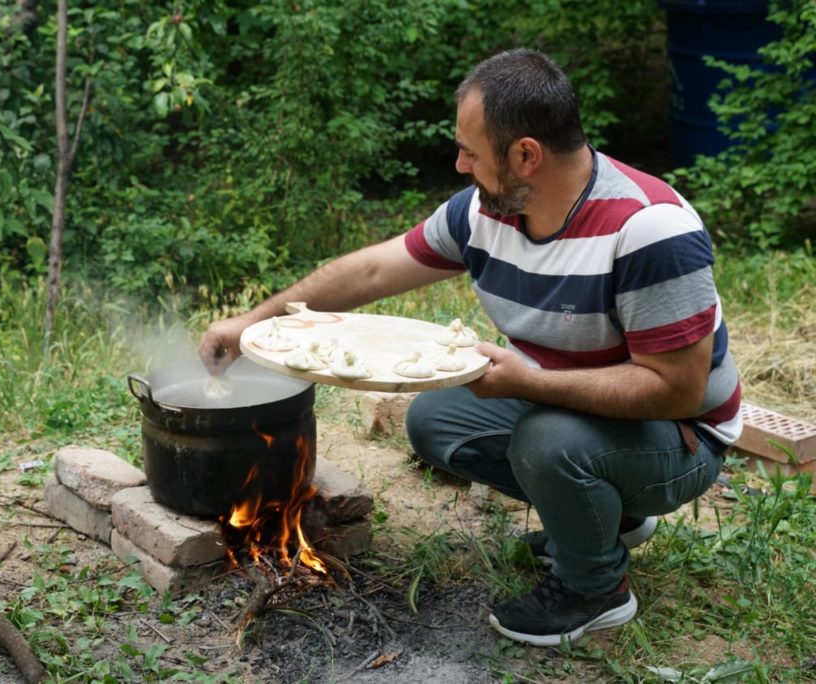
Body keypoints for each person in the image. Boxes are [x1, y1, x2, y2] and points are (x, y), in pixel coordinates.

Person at [199, 48, 741, 646]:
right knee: (437, 420)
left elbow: (677, 389)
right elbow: (375, 272)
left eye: (471, 151)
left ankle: (596, 590)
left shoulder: (649, 231)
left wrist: (525, 382)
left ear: (526, 155)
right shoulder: (486, 211)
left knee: (548, 441)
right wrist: (252, 323)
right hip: (580, 407)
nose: (460, 164)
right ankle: (613, 517)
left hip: (681, 438)